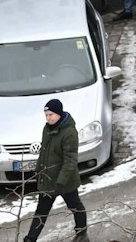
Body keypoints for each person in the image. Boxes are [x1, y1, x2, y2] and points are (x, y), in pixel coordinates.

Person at [22, 99, 87, 242]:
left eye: (51, 114)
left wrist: (61, 183)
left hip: (65, 182)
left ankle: (82, 234)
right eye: (46, 115)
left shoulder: (69, 133)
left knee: (75, 206)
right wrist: (38, 170)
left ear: (59, 113)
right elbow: (44, 152)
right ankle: (30, 239)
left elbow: (70, 161)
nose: (48, 118)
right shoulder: (47, 129)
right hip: (47, 179)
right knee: (41, 212)